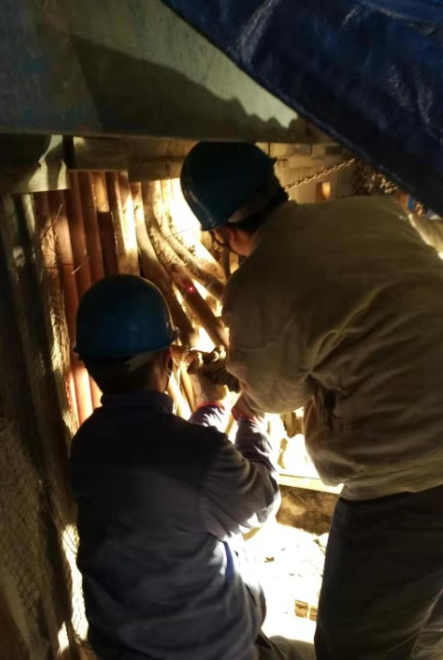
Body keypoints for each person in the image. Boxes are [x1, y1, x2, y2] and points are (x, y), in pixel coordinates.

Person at [180, 141, 443, 660]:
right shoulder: (373, 213)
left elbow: (276, 397)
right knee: (430, 635)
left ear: (225, 233)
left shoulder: (261, 283)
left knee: (355, 648)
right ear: (276, 184)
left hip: (405, 486)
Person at [69, 275, 314, 660]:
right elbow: (262, 502)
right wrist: (250, 420)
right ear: (166, 360)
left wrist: (211, 407)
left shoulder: (87, 444)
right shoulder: (196, 455)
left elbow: (181, 467)